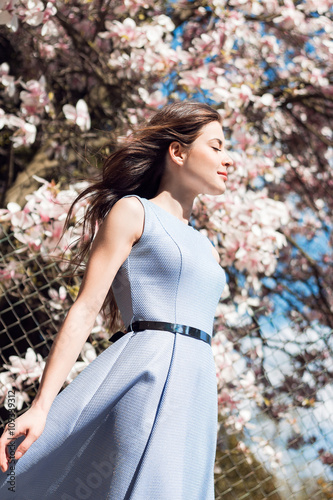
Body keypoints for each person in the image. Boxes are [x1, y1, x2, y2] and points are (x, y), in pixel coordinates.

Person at [0, 101, 233, 499]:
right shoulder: (132, 212)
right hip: (146, 374)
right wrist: (41, 405)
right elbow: (86, 307)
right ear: (177, 153)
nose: (227, 158)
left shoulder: (209, 250)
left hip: (197, 386)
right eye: (216, 146)